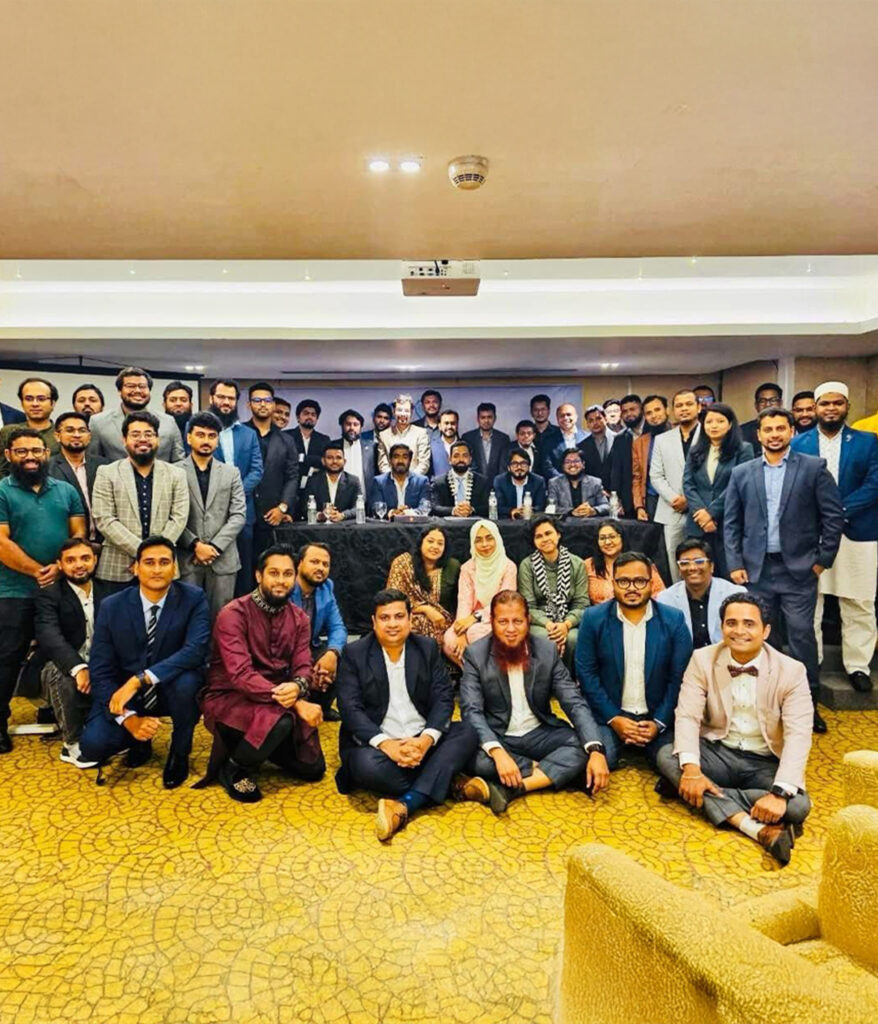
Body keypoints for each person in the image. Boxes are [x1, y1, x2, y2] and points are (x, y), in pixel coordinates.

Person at [655, 594, 813, 866]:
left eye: (749, 624)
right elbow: (688, 716)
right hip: (719, 751)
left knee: (797, 806)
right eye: (731, 623)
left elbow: (799, 735)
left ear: (766, 631)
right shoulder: (703, 659)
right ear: (722, 627)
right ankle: (755, 828)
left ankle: (695, 792)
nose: (739, 631)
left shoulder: (791, 671)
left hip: (764, 761)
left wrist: (778, 795)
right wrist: (692, 771)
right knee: (667, 755)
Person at [724, 406, 844, 733]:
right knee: (765, 639)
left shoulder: (814, 468)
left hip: (799, 572)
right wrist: (735, 563)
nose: (774, 434)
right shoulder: (742, 472)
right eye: (768, 429)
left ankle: (807, 707)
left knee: (802, 637)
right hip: (756, 571)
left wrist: (822, 560)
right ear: (758, 434)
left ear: (792, 432)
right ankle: (770, 706)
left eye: (780, 428)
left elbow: (833, 518)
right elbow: (732, 523)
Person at [335, 588, 479, 842]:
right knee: (364, 765)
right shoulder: (354, 653)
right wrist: (387, 745)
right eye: (385, 617)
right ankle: (446, 780)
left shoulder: (426, 648)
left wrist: (425, 740)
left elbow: (443, 697)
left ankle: (406, 804)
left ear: (410, 620)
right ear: (374, 622)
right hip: (378, 747)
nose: (392, 624)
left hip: (422, 741)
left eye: (399, 616)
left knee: (467, 732)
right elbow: (350, 709)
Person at [457, 590, 609, 814]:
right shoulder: (475, 654)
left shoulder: (546, 650)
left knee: (590, 746)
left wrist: (595, 750)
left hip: (540, 732)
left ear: (528, 620)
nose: (510, 629)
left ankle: (512, 788)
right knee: (473, 757)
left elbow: (573, 701)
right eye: (503, 622)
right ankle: (551, 773)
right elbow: (471, 711)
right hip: (500, 735)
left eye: (517, 621)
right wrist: (498, 753)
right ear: (492, 622)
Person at [79, 536, 211, 788]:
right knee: (93, 745)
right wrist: (129, 719)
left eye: (164, 562)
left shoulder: (193, 598)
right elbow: (101, 668)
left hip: (171, 687)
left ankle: (179, 752)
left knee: (188, 682)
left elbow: (195, 650)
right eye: (149, 562)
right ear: (136, 568)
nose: (157, 569)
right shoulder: (112, 606)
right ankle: (138, 740)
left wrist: (140, 679)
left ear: (174, 568)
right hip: (128, 695)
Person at [199, 544, 324, 802]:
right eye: (273, 573)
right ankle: (234, 766)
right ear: (259, 575)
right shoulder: (233, 614)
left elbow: (303, 665)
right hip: (230, 696)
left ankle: (258, 743)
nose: (281, 581)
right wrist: (296, 701)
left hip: (280, 696)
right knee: (282, 721)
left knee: (313, 769)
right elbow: (240, 675)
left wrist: (298, 686)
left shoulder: (299, 618)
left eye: (287, 574)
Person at [0, 428, 86, 753]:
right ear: (8, 455)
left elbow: (78, 535)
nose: (30, 457)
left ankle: (54, 707)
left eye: (36, 451)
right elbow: (1, 541)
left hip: (60, 589)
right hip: (13, 590)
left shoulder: (65, 490)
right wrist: (39, 571)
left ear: (46, 453)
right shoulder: (2, 491)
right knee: (7, 657)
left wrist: (60, 568)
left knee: (60, 649)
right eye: (22, 451)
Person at [791, 381, 878, 693]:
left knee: (859, 601)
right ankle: (810, 662)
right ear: (815, 408)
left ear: (847, 406)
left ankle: (858, 666)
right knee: (810, 601)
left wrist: (837, 512)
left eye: (837, 403)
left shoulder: (868, 442)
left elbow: (874, 483)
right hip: (812, 533)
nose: (831, 409)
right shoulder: (798, 443)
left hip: (858, 531)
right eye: (825, 403)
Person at [575, 551, 692, 770]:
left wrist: (658, 722)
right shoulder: (593, 618)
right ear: (613, 583)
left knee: (675, 764)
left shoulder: (673, 620)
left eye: (639, 581)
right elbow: (587, 675)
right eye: (623, 581)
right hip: (610, 716)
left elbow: (679, 679)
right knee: (597, 760)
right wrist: (614, 718)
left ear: (651, 583)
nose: (631, 588)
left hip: (656, 717)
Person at [91, 412, 189, 590]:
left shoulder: (177, 474)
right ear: (124, 440)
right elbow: (104, 519)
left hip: (163, 567)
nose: (142, 439)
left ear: (157, 439)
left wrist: (154, 556)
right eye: (135, 434)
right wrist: (143, 553)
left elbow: (179, 518)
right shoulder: (106, 472)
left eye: (148, 434)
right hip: (117, 568)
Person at [34, 538, 110, 768]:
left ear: (95, 560)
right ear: (60, 564)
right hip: (63, 667)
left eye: (85, 558)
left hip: (101, 665)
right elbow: (50, 636)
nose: (79, 565)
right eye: (71, 560)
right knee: (61, 673)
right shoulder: (49, 595)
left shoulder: (109, 592)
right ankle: (72, 743)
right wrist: (79, 668)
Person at [178, 412, 246, 622]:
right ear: (189, 438)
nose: (206, 440)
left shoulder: (231, 473)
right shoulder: (173, 471)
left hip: (223, 559)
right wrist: (196, 545)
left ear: (217, 440)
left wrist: (214, 547)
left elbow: (238, 515)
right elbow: (170, 516)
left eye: (212, 436)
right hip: (187, 558)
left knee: (222, 620)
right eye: (200, 435)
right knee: (187, 619)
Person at [682, 402, 754, 578]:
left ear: (730, 425)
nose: (713, 426)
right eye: (709, 422)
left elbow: (738, 485)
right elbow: (688, 484)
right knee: (698, 575)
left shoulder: (743, 450)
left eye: (720, 421)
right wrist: (701, 513)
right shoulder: (695, 451)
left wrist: (711, 513)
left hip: (727, 522)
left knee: (727, 575)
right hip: (697, 524)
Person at [207, 379, 264, 596]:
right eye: (221, 397)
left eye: (231, 398)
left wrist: (235, 493)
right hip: (209, 511)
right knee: (212, 570)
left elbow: (257, 470)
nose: (226, 402)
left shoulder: (249, 434)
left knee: (244, 570)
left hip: (243, 512)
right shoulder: (199, 430)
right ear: (211, 398)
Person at [443, 520, 517, 665]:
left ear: (497, 539)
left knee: (476, 634)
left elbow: (503, 603)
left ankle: (487, 676)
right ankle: (471, 674)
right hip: (470, 620)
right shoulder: (468, 568)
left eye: (489, 538)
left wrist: (475, 618)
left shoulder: (508, 567)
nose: (484, 544)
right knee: (450, 640)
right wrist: (461, 630)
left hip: (499, 618)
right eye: (478, 540)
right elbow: (464, 601)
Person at [518, 516, 589, 666]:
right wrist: (549, 625)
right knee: (545, 638)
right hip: (540, 622)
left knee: (573, 639)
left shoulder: (577, 563)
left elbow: (581, 604)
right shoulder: (527, 565)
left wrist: (566, 625)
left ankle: (569, 678)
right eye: (538, 536)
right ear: (533, 541)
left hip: (569, 620)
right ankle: (545, 679)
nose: (545, 539)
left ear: (558, 534)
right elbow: (528, 606)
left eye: (548, 533)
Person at [243, 383, 299, 572]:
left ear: (273, 405)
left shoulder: (287, 440)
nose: (262, 404)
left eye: (267, 400)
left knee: (270, 569)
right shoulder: (239, 434)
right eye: (257, 400)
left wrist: (283, 507)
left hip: (273, 515)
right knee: (244, 572)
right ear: (249, 404)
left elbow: (292, 476)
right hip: (242, 513)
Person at [290, 542, 348, 719]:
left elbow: (337, 627)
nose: (320, 568)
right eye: (314, 562)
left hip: (310, 645)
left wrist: (332, 653)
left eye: (325, 564)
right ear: (299, 564)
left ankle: (322, 706)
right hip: (285, 650)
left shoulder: (326, 587)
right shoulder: (286, 587)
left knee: (345, 655)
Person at [650, 388, 701, 581]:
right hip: (673, 510)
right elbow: (656, 476)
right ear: (672, 410)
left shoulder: (709, 435)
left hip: (702, 510)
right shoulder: (662, 440)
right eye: (679, 405)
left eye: (689, 404)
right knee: (675, 563)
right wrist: (675, 499)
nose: (684, 409)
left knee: (702, 561)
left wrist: (690, 500)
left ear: (698, 407)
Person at [656, 537, 745, 648]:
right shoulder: (666, 599)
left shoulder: (734, 594)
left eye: (699, 562)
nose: (692, 568)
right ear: (679, 569)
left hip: (725, 654)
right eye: (684, 563)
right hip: (686, 657)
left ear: (711, 566)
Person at [88, 366, 184, 463]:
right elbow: (92, 462)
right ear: (119, 391)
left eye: (142, 386)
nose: (137, 390)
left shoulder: (168, 422)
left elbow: (179, 462)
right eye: (131, 386)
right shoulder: (98, 423)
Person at [386, 526, 461, 649]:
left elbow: (457, 602)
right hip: (407, 615)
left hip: (441, 620)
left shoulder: (452, 567)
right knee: (413, 624)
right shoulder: (402, 563)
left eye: (440, 543)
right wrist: (425, 609)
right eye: (430, 541)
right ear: (421, 543)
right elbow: (393, 600)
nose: (435, 546)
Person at [48, 411, 111, 543]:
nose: (76, 435)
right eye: (70, 430)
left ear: (89, 436)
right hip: (67, 543)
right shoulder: (48, 468)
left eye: (82, 430)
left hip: (105, 542)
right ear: (57, 436)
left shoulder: (105, 465)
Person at [584, 520, 665, 604]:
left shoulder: (640, 563)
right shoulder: (588, 565)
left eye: (612, 537)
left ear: (622, 538)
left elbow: (660, 594)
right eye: (602, 538)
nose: (607, 542)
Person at [0, 377, 60, 478]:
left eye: (41, 399)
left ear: (53, 403)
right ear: (22, 403)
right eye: (29, 399)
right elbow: (2, 470)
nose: (35, 404)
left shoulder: (61, 435)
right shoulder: (9, 432)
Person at [298, 442, 362, 521]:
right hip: (320, 527)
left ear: (344, 461)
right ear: (323, 461)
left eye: (338, 458)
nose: (334, 461)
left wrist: (343, 515)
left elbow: (358, 507)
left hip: (346, 526)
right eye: (330, 458)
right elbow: (304, 508)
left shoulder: (353, 481)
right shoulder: (313, 481)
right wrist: (320, 515)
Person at [631, 394, 670, 522]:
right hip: (651, 498)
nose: (653, 415)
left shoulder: (680, 435)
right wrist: (639, 506)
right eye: (649, 413)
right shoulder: (640, 443)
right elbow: (637, 477)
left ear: (667, 410)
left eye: (657, 410)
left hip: (677, 498)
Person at [429, 439, 490, 517]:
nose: (461, 460)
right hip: (447, 523)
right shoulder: (438, 482)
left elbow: (488, 507)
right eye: (456, 456)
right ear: (449, 459)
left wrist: (472, 509)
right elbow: (434, 507)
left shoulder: (482, 481)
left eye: (465, 456)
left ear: (470, 459)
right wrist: (453, 510)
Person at [369, 444, 430, 518]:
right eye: (396, 457)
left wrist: (407, 513)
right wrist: (393, 513)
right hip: (388, 524)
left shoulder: (422, 481)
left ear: (410, 460)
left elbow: (425, 507)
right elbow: (376, 508)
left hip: (413, 523)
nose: (400, 461)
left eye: (405, 457)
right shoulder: (379, 482)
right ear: (390, 460)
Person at [377, 394, 431, 475]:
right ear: (394, 412)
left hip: (415, 480)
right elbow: (383, 465)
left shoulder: (421, 433)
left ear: (411, 413)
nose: (403, 414)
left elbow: (424, 464)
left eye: (406, 411)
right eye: (399, 410)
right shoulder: (384, 435)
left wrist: (410, 480)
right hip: (391, 481)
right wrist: (395, 480)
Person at [546, 449, 607, 517]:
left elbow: (606, 505)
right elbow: (551, 508)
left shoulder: (595, 482)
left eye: (576, 461)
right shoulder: (554, 483)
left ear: (583, 464)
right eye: (568, 462)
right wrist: (571, 512)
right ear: (563, 466)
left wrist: (594, 510)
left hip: (590, 521)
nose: (572, 464)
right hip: (564, 522)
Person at [461, 402, 511, 482]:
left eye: (489, 417)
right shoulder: (468, 438)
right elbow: (467, 464)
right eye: (483, 417)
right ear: (478, 419)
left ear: (495, 418)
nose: (486, 421)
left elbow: (503, 467)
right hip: (473, 484)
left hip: (496, 484)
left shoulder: (503, 439)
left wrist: (499, 485)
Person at [493, 447, 547, 518]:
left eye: (523, 464)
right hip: (507, 521)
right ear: (509, 467)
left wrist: (531, 510)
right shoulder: (500, 481)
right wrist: (512, 511)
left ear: (529, 467)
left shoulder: (538, 481)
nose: (519, 467)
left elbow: (541, 506)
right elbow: (497, 506)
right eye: (515, 464)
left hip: (531, 520)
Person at [335, 408, 376, 499]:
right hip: (341, 500)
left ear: (360, 427)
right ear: (342, 425)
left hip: (366, 499)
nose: (352, 428)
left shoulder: (372, 447)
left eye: (356, 424)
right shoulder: (333, 447)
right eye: (348, 424)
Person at [288, 398, 330, 485]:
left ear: (317, 419)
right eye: (306, 413)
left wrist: (300, 458)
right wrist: (314, 462)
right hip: (289, 484)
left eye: (313, 415)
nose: (310, 417)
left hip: (315, 486)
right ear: (298, 417)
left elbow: (325, 462)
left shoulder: (324, 440)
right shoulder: (286, 436)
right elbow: (286, 461)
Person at [544, 403, 588, 476]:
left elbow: (592, 463)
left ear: (576, 416)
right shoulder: (548, 440)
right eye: (562, 415)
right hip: (558, 481)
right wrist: (563, 480)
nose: (565, 418)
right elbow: (547, 466)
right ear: (557, 419)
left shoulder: (587, 437)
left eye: (569, 414)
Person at [577, 404, 614, 487]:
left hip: (617, 491)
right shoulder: (581, 446)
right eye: (591, 420)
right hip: (593, 491)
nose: (595, 423)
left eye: (598, 418)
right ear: (587, 424)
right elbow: (583, 474)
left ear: (606, 419)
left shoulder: (619, 440)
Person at [740, 382, 783, 451]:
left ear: (780, 403)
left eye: (773, 400)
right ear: (756, 405)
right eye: (762, 401)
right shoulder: (742, 431)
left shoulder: (789, 428)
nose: (768, 405)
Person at [429, 409, 460, 478]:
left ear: (457, 425)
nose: (449, 426)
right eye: (446, 423)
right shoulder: (431, 446)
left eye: (453, 423)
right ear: (439, 426)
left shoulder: (465, 446)